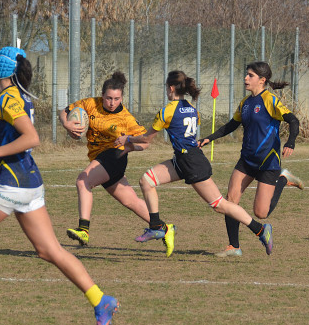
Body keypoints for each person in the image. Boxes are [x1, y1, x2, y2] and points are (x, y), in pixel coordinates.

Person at [0, 47, 118, 325]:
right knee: (50, 251)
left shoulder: (7, 98)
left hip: (12, 184)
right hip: (30, 183)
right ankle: (101, 300)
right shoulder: (19, 97)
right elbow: (17, 133)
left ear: (1, 71)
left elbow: (30, 137)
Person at [114, 70, 272, 257]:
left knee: (220, 205)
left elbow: (147, 138)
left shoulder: (167, 111)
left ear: (171, 88)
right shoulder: (191, 109)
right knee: (146, 180)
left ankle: (261, 230)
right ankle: (157, 226)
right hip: (183, 159)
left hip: (191, 162)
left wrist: (128, 139)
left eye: (167, 88)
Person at [59, 72, 175, 251]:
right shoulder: (90, 104)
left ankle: (83, 229)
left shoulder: (126, 119)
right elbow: (64, 111)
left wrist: (130, 145)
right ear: (102, 95)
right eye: (108, 98)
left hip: (114, 157)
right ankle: (164, 228)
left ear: (121, 97)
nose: (112, 103)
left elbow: (145, 142)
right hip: (100, 159)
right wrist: (66, 124)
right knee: (131, 201)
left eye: (116, 99)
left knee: (83, 181)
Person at [198, 61, 304, 258]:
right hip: (246, 160)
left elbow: (293, 120)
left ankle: (283, 178)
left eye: (250, 75)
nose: (246, 78)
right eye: (246, 74)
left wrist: (291, 142)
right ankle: (234, 246)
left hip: (268, 163)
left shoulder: (270, 100)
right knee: (231, 201)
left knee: (261, 214)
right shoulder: (245, 103)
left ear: (262, 80)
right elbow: (231, 125)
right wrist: (208, 138)